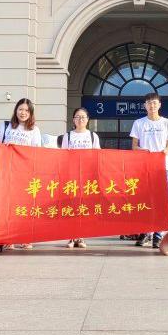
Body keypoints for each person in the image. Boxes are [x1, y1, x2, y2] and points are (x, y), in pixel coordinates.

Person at [0, 98, 43, 249]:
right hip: (7, 173)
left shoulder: (34, 130)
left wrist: (20, 148)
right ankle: (9, 237)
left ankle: (25, 237)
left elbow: (37, 152)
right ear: (16, 110)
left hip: (26, 173)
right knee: (8, 205)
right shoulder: (6, 126)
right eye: (20, 109)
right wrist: (4, 146)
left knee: (25, 205)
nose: (23, 113)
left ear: (31, 113)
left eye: (27, 110)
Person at [130, 92, 168, 249]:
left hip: (162, 168)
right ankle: (146, 232)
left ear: (159, 105)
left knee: (161, 201)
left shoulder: (167, 123)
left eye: (155, 102)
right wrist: (143, 151)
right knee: (145, 201)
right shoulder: (139, 123)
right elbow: (134, 146)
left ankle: (158, 234)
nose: (152, 105)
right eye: (149, 103)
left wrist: (164, 151)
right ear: (145, 105)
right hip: (143, 168)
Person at [61, 107, 101, 249]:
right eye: (77, 117)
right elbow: (63, 156)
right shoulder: (68, 136)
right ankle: (71, 237)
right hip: (71, 176)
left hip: (87, 176)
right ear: (73, 120)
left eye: (83, 117)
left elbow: (97, 156)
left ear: (88, 120)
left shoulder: (92, 136)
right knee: (72, 205)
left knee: (84, 206)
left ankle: (81, 236)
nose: (80, 119)